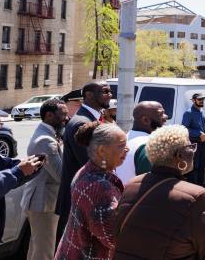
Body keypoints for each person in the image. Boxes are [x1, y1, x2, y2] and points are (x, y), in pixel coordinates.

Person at [113, 125, 205, 259]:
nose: (193, 150)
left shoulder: (131, 185)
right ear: (179, 155)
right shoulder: (196, 196)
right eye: (190, 146)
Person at [55, 122, 128, 260]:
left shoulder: (88, 171)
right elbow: (112, 236)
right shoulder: (98, 187)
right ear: (102, 151)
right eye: (121, 146)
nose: (127, 149)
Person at [56, 81, 113, 238]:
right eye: (105, 91)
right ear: (88, 95)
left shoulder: (95, 119)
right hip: (79, 198)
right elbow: (91, 163)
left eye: (110, 91)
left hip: (86, 196)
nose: (110, 94)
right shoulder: (81, 122)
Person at [20, 98, 68, 260]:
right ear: (49, 116)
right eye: (63, 115)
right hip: (43, 203)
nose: (66, 118)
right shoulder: (45, 140)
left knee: (37, 249)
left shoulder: (49, 134)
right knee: (44, 251)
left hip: (43, 202)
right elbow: (60, 174)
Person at [115, 101, 167, 185]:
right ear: (145, 120)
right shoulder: (148, 145)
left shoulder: (125, 137)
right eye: (160, 114)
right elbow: (153, 184)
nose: (165, 117)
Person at [182, 93, 205, 186]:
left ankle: (201, 188)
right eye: (199, 99)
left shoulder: (203, 111)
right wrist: (198, 133)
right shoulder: (188, 113)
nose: (201, 101)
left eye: (202, 99)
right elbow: (184, 128)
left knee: (202, 166)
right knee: (194, 167)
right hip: (193, 144)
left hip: (202, 143)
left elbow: (202, 126)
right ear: (193, 100)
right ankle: (193, 188)